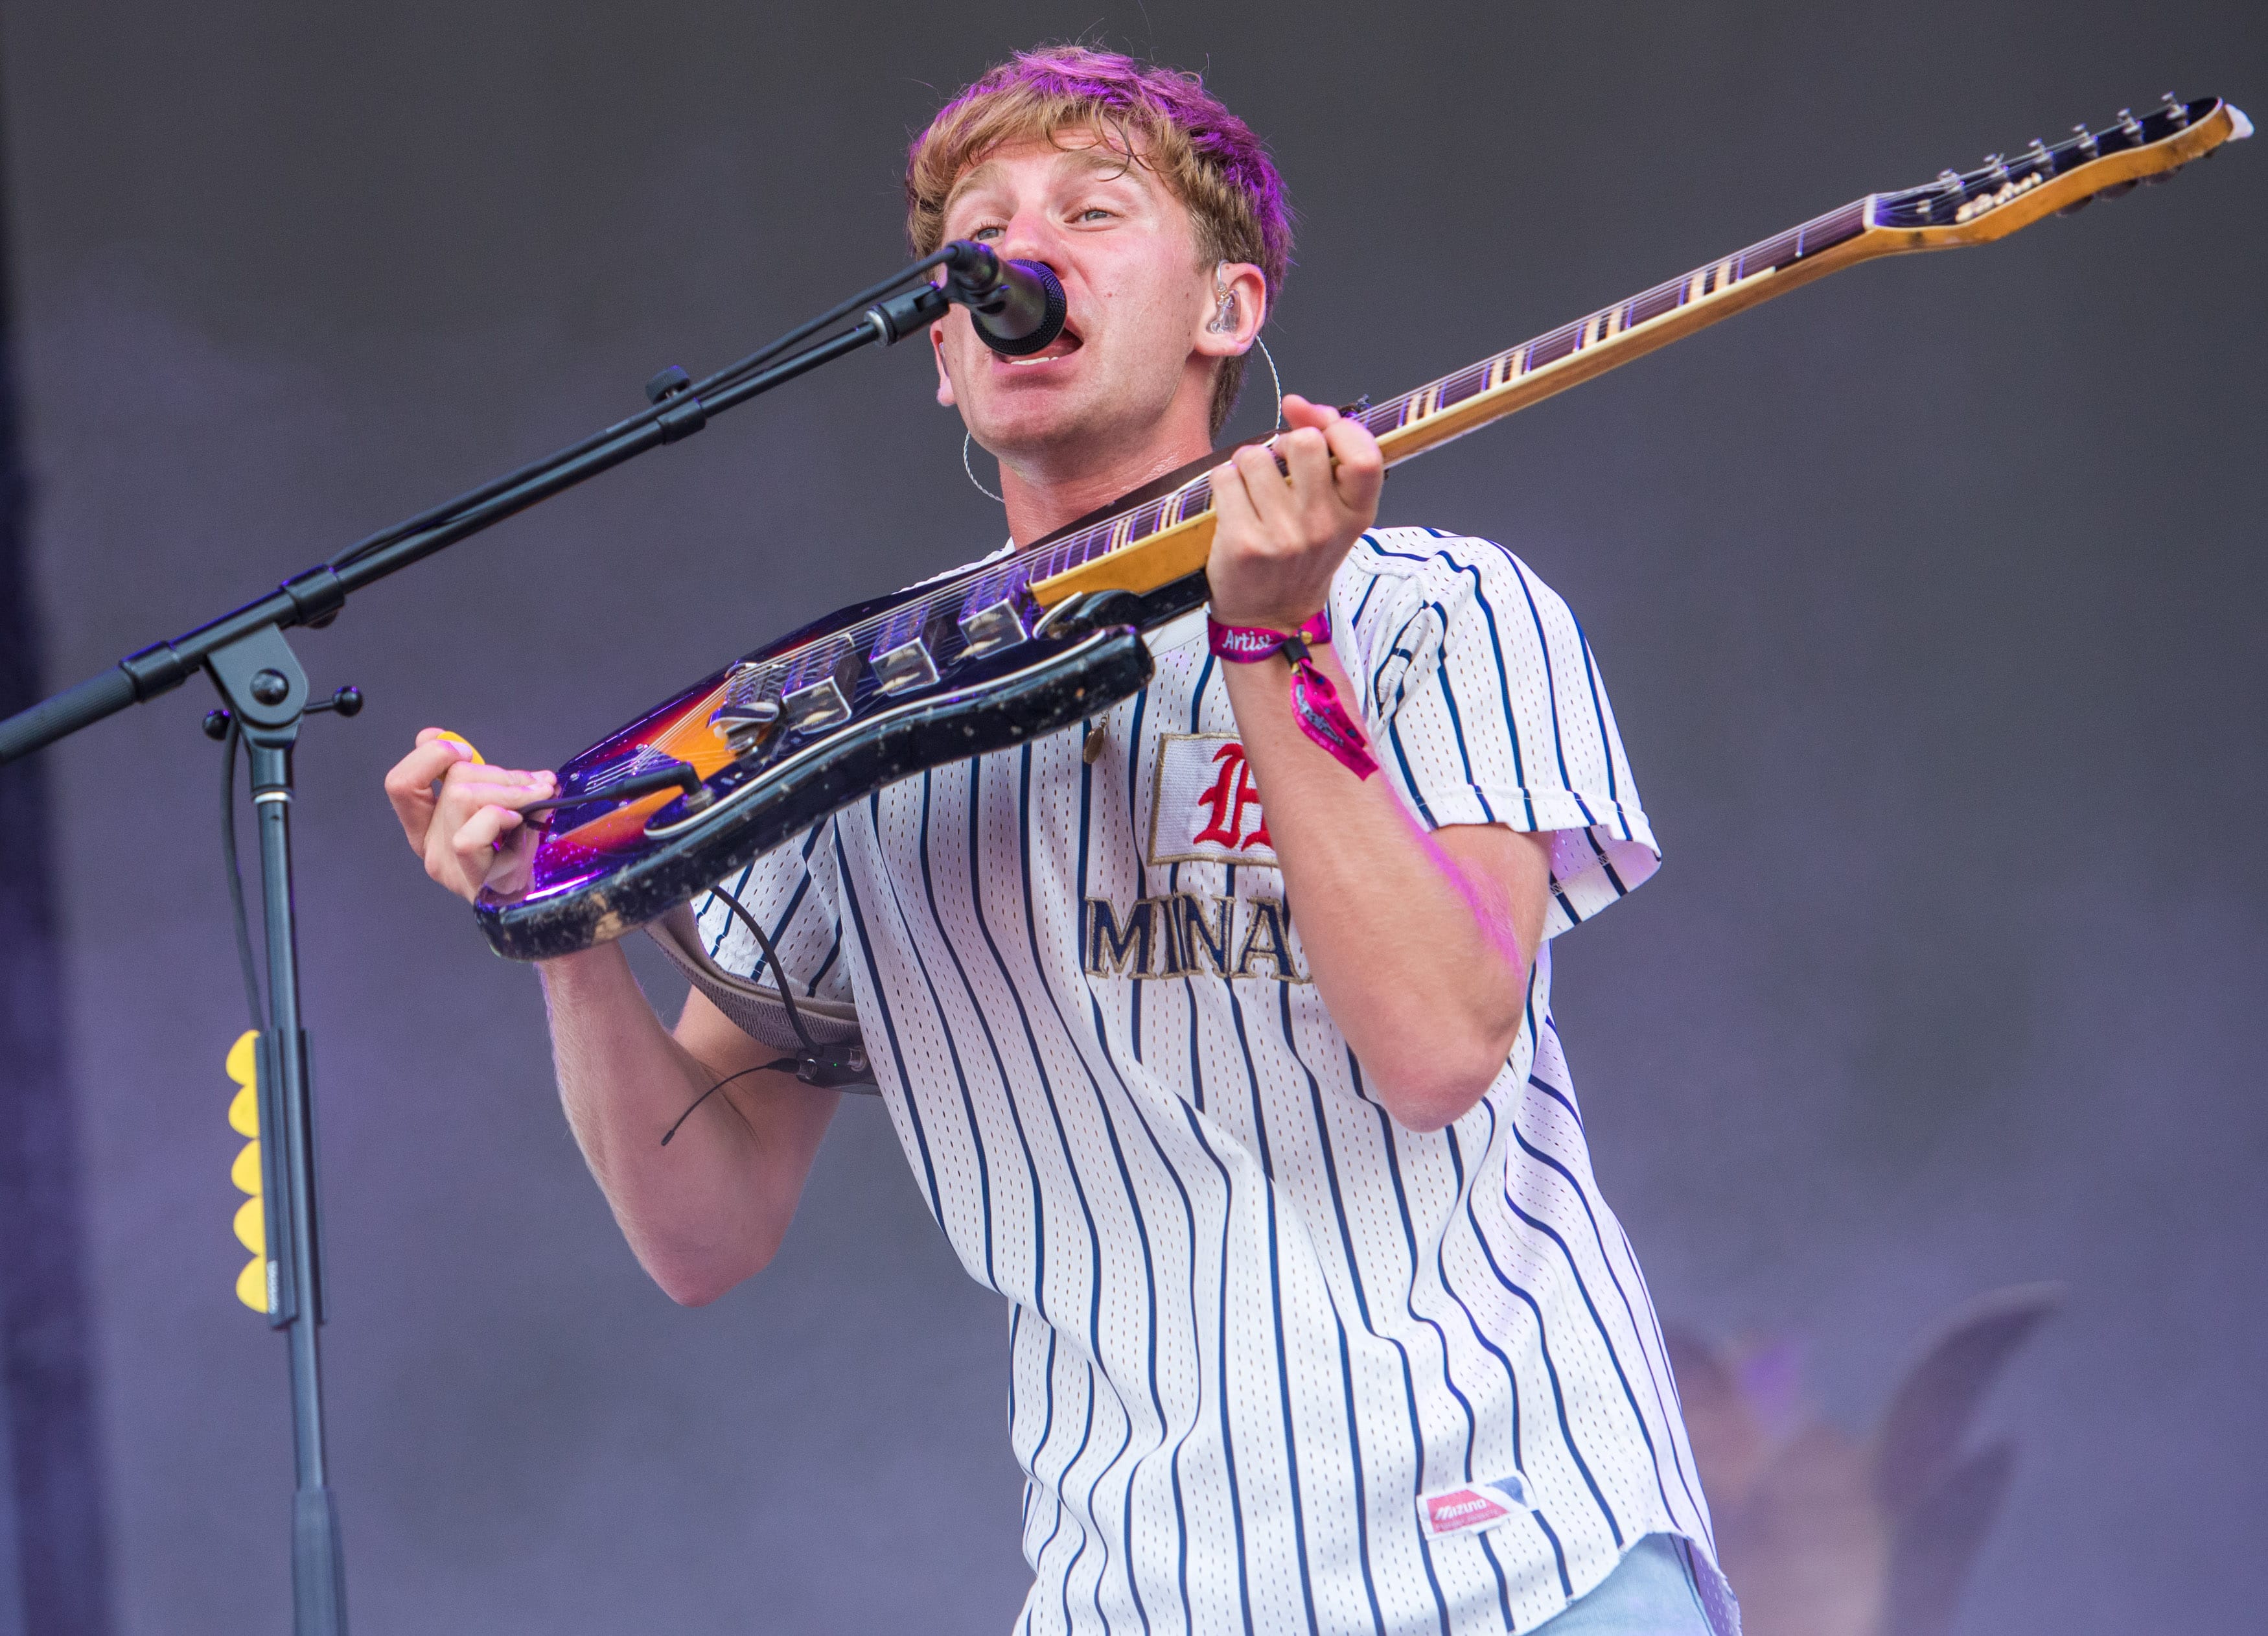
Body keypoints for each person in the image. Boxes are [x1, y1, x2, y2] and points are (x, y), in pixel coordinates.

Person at [384, 45, 1737, 1636]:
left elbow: (1439, 1046)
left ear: (1227, 307)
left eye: (1093, 212)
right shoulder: (852, 710)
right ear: (941, 352)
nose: (1019, 254)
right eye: (979, 234)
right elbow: (706, 1230)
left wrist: (1273, 639)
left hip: (1525, 1557)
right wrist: (562, 921)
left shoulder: (1439, 606)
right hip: (1130, 1593)